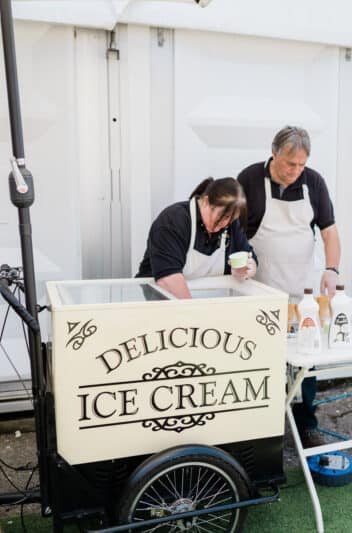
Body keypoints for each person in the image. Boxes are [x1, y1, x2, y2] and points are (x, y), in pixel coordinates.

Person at [238, 126, 340, 447]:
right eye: (289, 164)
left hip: (300, 292)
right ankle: (258, 429)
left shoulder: (314, 183)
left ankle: (306, 424)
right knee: (258, 361)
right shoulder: (250, 180)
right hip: (258, 293)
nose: (295, 172)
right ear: (274, 153)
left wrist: (332, 270)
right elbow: (235, 236)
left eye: (301, 166)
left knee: (305, 360)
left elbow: (329, 232)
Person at [136, 177, 257, 299]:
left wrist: (247, 268)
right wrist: (193, 312)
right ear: (205, 202)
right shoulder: (173, 220)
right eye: (222, 217)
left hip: (204, 306)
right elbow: (168, 279)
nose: (225, 224)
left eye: (231, 219)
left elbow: (248, 254)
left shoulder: (229, 224)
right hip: (158, 302)